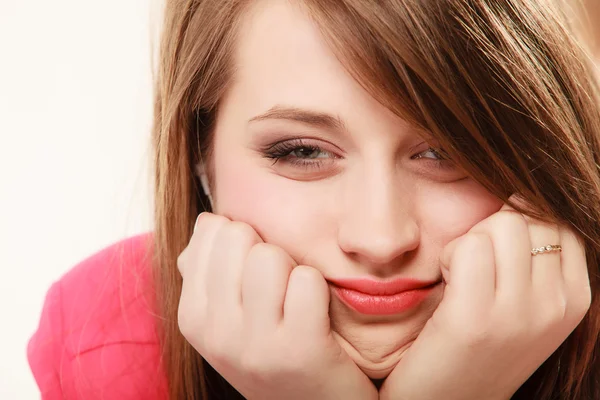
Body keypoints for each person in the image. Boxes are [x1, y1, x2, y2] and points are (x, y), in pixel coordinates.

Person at [28, 0, 600, 399]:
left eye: (446, 152)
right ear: (200, 154)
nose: (381, 239)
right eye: (301, 152)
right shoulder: (104, 339)